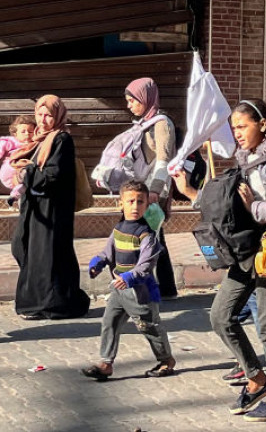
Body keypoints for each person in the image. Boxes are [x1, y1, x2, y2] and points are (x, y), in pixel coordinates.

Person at [172, 99, 266, 422]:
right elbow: (228, 208)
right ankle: (256, 377)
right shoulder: (244, 162)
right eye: (234, 127)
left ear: (262, 125)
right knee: (220, 316)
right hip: (244, 253)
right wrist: (193, 193)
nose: (237, 133)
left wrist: (258, 210)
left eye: (243, 126)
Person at [81, 181, 176, 380]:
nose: (135, 206)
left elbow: (145, 266)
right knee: (110, 323)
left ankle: (167, 360)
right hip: (119, 290)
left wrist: (128, 277)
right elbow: (108, 252)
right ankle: (106, 363)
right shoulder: (119, 229)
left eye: (140, 202)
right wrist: (97, 263)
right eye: (130, 201)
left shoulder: (147, 234)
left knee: (149, 327)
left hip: (140, 293)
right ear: (120, 203)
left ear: (147, 206)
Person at [11, 95, 90, 320]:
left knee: (49, 257)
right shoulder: (37, 140)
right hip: (35, 208)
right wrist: (22, 172)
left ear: (57, 116)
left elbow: (55, 174)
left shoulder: (61, 139)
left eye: (48, 115)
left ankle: (54, 305)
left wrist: (28, 173)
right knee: (22, 247)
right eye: (39, 114)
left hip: (52, 209)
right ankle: (35, 302)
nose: (43, 120)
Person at [123, 77, 180, 300]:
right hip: (142, 189)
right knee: (154, 238)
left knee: (146, 237)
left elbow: (165, 159)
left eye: (132, 100)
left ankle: (147, 287)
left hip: (154, 190)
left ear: (145, 98)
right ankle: (166, 288)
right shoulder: (143, 124)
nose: (129, 105)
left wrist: (155, 190)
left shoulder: (161, 123)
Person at [0, 115, 36, 205]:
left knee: (24, 184)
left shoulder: (34, 143)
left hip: (22, 174)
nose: (27, 134)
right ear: (15, 134)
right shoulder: (10, 142)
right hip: (9, 169)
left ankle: (14, 197)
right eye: (23, 132)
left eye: (30, 131)